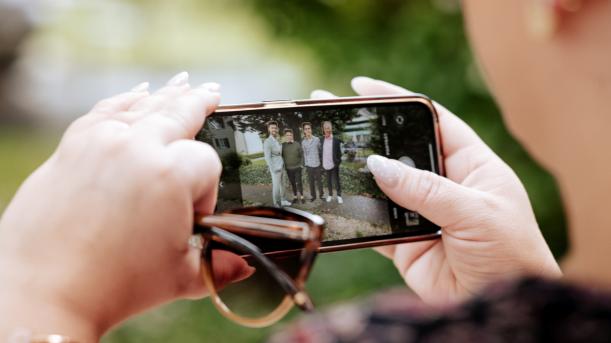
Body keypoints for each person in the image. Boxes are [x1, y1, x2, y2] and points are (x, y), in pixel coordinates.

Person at [263, 121, 291, 208]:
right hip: (275, 168)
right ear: (269, 129)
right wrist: (273, 169)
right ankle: (276, 204)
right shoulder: (267, 142)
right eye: (272, 128)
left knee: (283, 184)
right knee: (276, 187)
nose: (274, 129)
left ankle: (283, 200)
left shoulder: (277, 140)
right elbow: (267, 157)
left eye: (275, 128)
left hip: (282, 166)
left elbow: (280, 153)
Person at [320, 121, 343, 204]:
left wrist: (337, 163)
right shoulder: (321, 140)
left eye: (329, 128)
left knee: (336, 181)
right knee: (328, 181)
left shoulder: (336, 140)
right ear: (323, 129)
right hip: (326, 164)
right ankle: (330, 195)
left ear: (331, 128)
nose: (327, 129)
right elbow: (320, 152)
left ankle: (339, 196)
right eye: (326, 128)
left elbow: (339, 153)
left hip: (334, 165)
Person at [301, 122, 324, 202]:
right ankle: (313, 196)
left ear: (311, 129)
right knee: (311, 182)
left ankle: (321, 195)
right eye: (306, 129)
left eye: (309, 128)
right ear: (304, 131)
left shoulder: (317, 139)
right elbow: (305, 154)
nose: (307, 130)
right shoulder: (303, 142)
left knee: (319, 182)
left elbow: (320, 150)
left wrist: (321, 162)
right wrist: (306, 164)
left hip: (317, 164)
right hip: (309, 165)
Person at [281, 129, 305, 204]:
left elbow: (302, 155)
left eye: (290, 135)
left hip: (297, 167)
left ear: (292, 136)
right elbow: (280, 156)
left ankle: (302, 196)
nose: (289, 136)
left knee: (299, 182)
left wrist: (301, 164)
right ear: (285, 136)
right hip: (289, 168)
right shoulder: (283, 145)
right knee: (293, 183)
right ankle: (295, 196)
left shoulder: (297, 144)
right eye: (287, 135)